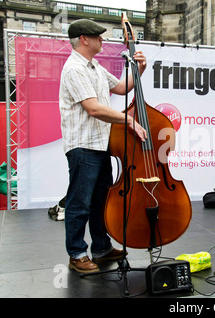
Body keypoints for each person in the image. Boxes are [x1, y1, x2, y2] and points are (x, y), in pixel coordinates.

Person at [59, 19, 147, 273]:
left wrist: (140, 68)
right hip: (83, 146)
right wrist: (128, 120)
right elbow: (94, 108)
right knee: (80, 203)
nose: (102, 40)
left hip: (100, 145)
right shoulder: (74, 69)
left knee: (100, 200)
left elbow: (121, 87)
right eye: (97, 36)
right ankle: (76, 253)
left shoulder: (95, 66)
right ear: (84, 39)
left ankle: (101, 248)